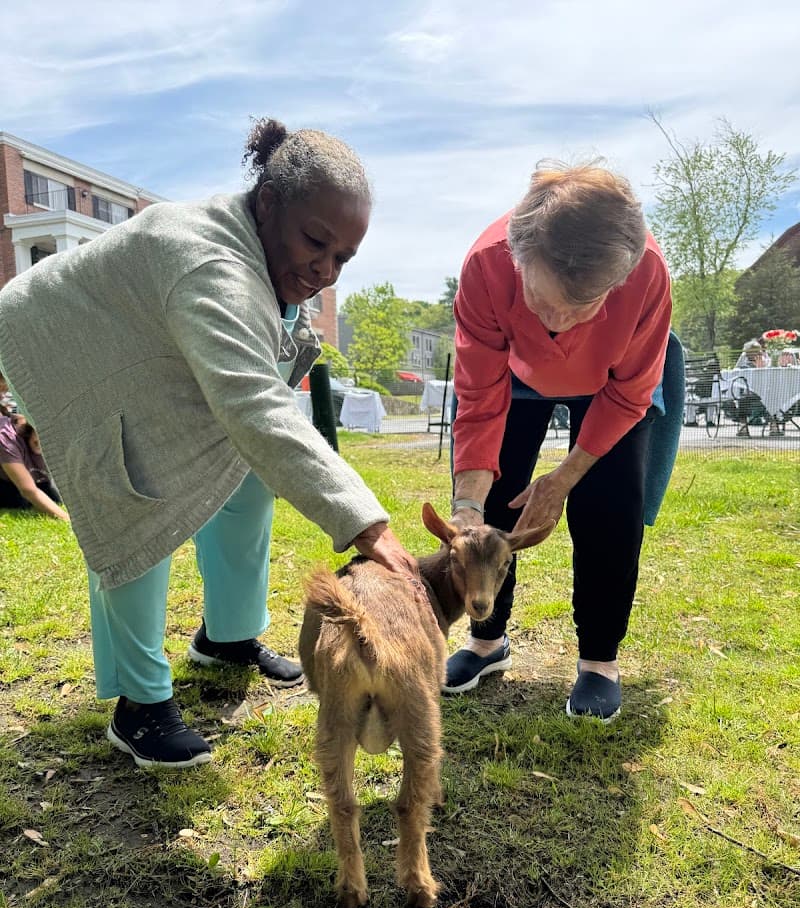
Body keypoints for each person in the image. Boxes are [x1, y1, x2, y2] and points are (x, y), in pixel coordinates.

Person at [0, 117, 418, 769]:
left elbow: (259, 401)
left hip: (144, 348)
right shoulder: (209, 261)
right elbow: (255, 405)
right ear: (271, 203)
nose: (326, 270)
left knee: (245, 478)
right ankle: (138, 704)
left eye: (343, 258)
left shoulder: (267, 255)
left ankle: (226, 635)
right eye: (317, 243)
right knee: (138, 485)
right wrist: (372, 529)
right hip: (61, 348)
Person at [444, 160, 672, 722]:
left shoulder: (646, 275)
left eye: (582, 308)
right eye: (545, 304)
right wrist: (467, 504)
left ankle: (599, 660)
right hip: (515, 377)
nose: (561, 325)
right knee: (495, 504)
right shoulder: (486, 266)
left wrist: (564, 479)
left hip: (612, 382)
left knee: (608, 510)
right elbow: (479, 399)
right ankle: (485, 641)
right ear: (518, 262)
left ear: (617, 282)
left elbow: (630, 395)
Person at [0, 414, 69, 520]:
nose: (43, 442)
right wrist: (66, 519)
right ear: (31, 427)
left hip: (37, 478)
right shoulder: (7, 439)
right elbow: (27, 489)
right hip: (6, 482)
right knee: (22, 502)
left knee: (55, 499)